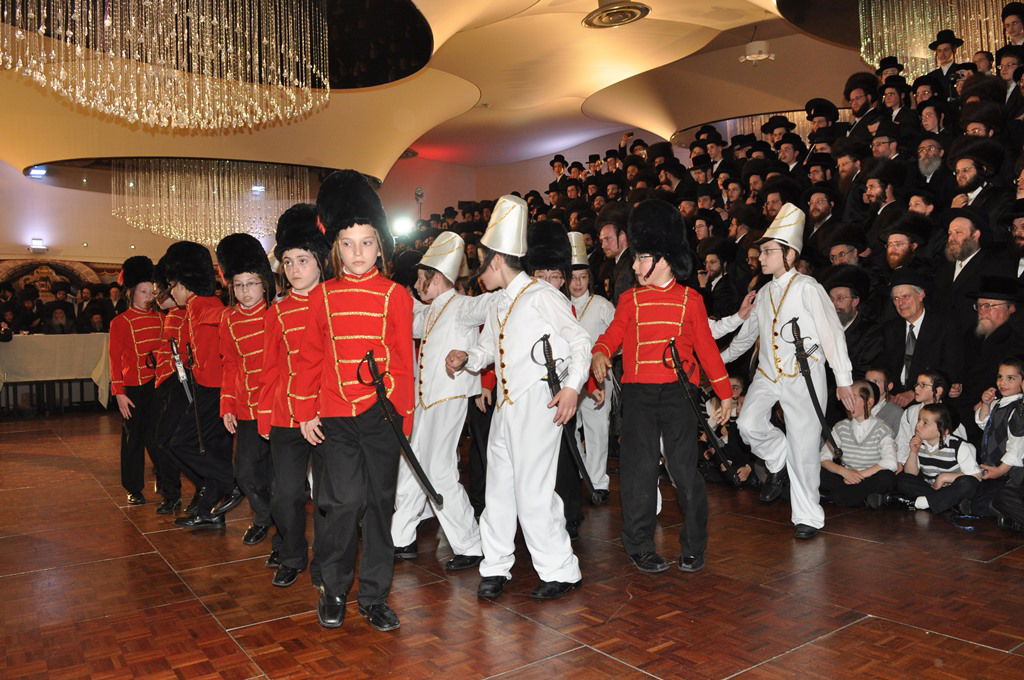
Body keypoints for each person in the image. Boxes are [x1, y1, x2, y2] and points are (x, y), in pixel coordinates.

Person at [445, 194, 590, 602]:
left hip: (538, 405)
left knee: (533, 490)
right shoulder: (498, 303)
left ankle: (561, 568)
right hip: (508, 408)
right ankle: (495, 566)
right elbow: (490, 347)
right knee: (498, 488)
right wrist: (468, 357)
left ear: (495, 261)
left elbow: (579, 339)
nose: (477, 273)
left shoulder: (543, 296)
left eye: (479, 262)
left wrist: (572, 387)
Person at [292, 170, 412, 631]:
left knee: (382, 507)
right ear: (335, 248)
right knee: (342, 503)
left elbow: (404, 362)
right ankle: (335, 587)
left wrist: (403, 419)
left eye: (366, 243)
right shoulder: (321, 297)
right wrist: (305, 410)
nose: (357, 253)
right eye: (348, 243)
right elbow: (309, 357)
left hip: (382, 418)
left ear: (379, 246)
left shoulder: (397, 296)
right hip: (336, 416)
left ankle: (376, 596)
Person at [592, 199, 732, 573]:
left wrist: (726, 394)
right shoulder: (629, 300)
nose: (634, 265)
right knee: (638, 472)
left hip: (678, 395)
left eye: (641, 258)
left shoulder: (691, 300)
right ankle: (638, 545)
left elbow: (707, 350)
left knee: (685, 472)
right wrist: (601, 352)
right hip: (638, 394)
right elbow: (613, 334)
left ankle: (694, 546)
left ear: (662, 260)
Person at [731, 203, 857, 539]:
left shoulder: (808, 287)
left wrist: (843, 380)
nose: (761, 256)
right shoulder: (764, 292)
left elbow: (832, 334)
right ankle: (776, 455)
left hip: (804, 377)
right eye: (761, 252)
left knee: (804, 448)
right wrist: (719, 359)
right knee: (747, 422)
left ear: (789, 254)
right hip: (769, 375)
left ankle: (808, 517)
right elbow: (747, 336)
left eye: (769, 251)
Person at [391, 231, 487, 570]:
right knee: (411, 467)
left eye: (422, 280)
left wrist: (472, 354)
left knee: (440, 471)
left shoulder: (462, 306)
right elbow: (408, 317)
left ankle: (470, 544)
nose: (418, 286)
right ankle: (400, 539)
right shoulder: (431, 310)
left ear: (440, 278)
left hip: (449, 398)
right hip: (426, 403)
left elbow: (493, 305)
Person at [258, 203, 329, 587]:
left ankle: (326, 562)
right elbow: (270, 367)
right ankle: (292, 554)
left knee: (329, 499)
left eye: (303, 260)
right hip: (286, 414)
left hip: (329, 414)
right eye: (288, 261)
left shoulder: (335, 304)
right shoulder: (278, 312)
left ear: (319, 261)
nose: (295, 269)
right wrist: (266, 414)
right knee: (285, 494)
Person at [162, 241, 235, 528]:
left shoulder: (206, 306)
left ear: (185, 283)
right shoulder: (195, 306)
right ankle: (209, 511)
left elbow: (227, 322)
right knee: (211, 449)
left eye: (174, 285)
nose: (172, 292)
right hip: (205, 386)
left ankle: (232, 479)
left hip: (215, 390)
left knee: (181, 443)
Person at [216, 233, 278, 546]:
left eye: (251, 283)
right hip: (247, 408)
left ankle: (277, 524)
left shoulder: (276, 314)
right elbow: (229, 364)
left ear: (264, 283)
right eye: (238, 285)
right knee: (245, 472)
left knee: (277, 474)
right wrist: (227, 405)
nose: (245, 291)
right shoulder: (228, 319)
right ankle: (263, 516)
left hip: (278, 407)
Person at [108, 256, 163, 506]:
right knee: (133, 439)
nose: (148, 296)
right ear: (132, 293)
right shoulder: (120, 322)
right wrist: (119, 392)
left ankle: (164, 481)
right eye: (143, 291)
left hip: (159, 385)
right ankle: (133, 487)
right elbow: (115, 360)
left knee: (159, 436)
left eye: (152, 291)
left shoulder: (163, 318)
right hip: (134, 387)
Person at [568, 231, 615, 505]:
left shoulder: (601, 306)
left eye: (583, 277)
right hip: (570, 379)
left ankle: (599, 481)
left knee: (597, 428)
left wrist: (604, 355)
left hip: (597, 376)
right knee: (571, 427)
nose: (578, 283)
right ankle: (581, 472)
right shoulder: (560, 304)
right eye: (573, 278)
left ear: (590, 279)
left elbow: (617, 340)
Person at [885, 403, 982, 512]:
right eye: (918, 420)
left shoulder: (960, 446)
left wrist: (945, 477)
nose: (918, 425)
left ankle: (922, 502)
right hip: (932, 489)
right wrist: (913, 452)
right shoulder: (919, 443)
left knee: (968, 483)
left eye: (925, 423)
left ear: (944, 431)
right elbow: (911, 473)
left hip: (953, 488)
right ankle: (945, 503)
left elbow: (976, 476)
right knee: (902, 479)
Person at [819, 380, 898, 507]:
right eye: (846, 399)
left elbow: (891, 462)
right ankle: (863, 499)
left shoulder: (882, 429)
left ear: (869, 402)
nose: (848, 403)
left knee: (886, 478)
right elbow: (824, 458)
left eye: (853, 398)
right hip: (845, 477)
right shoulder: (840, 427)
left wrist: (858, 475)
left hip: (868, 477)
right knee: (816, 471)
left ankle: (836, 497)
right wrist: (844, 472)